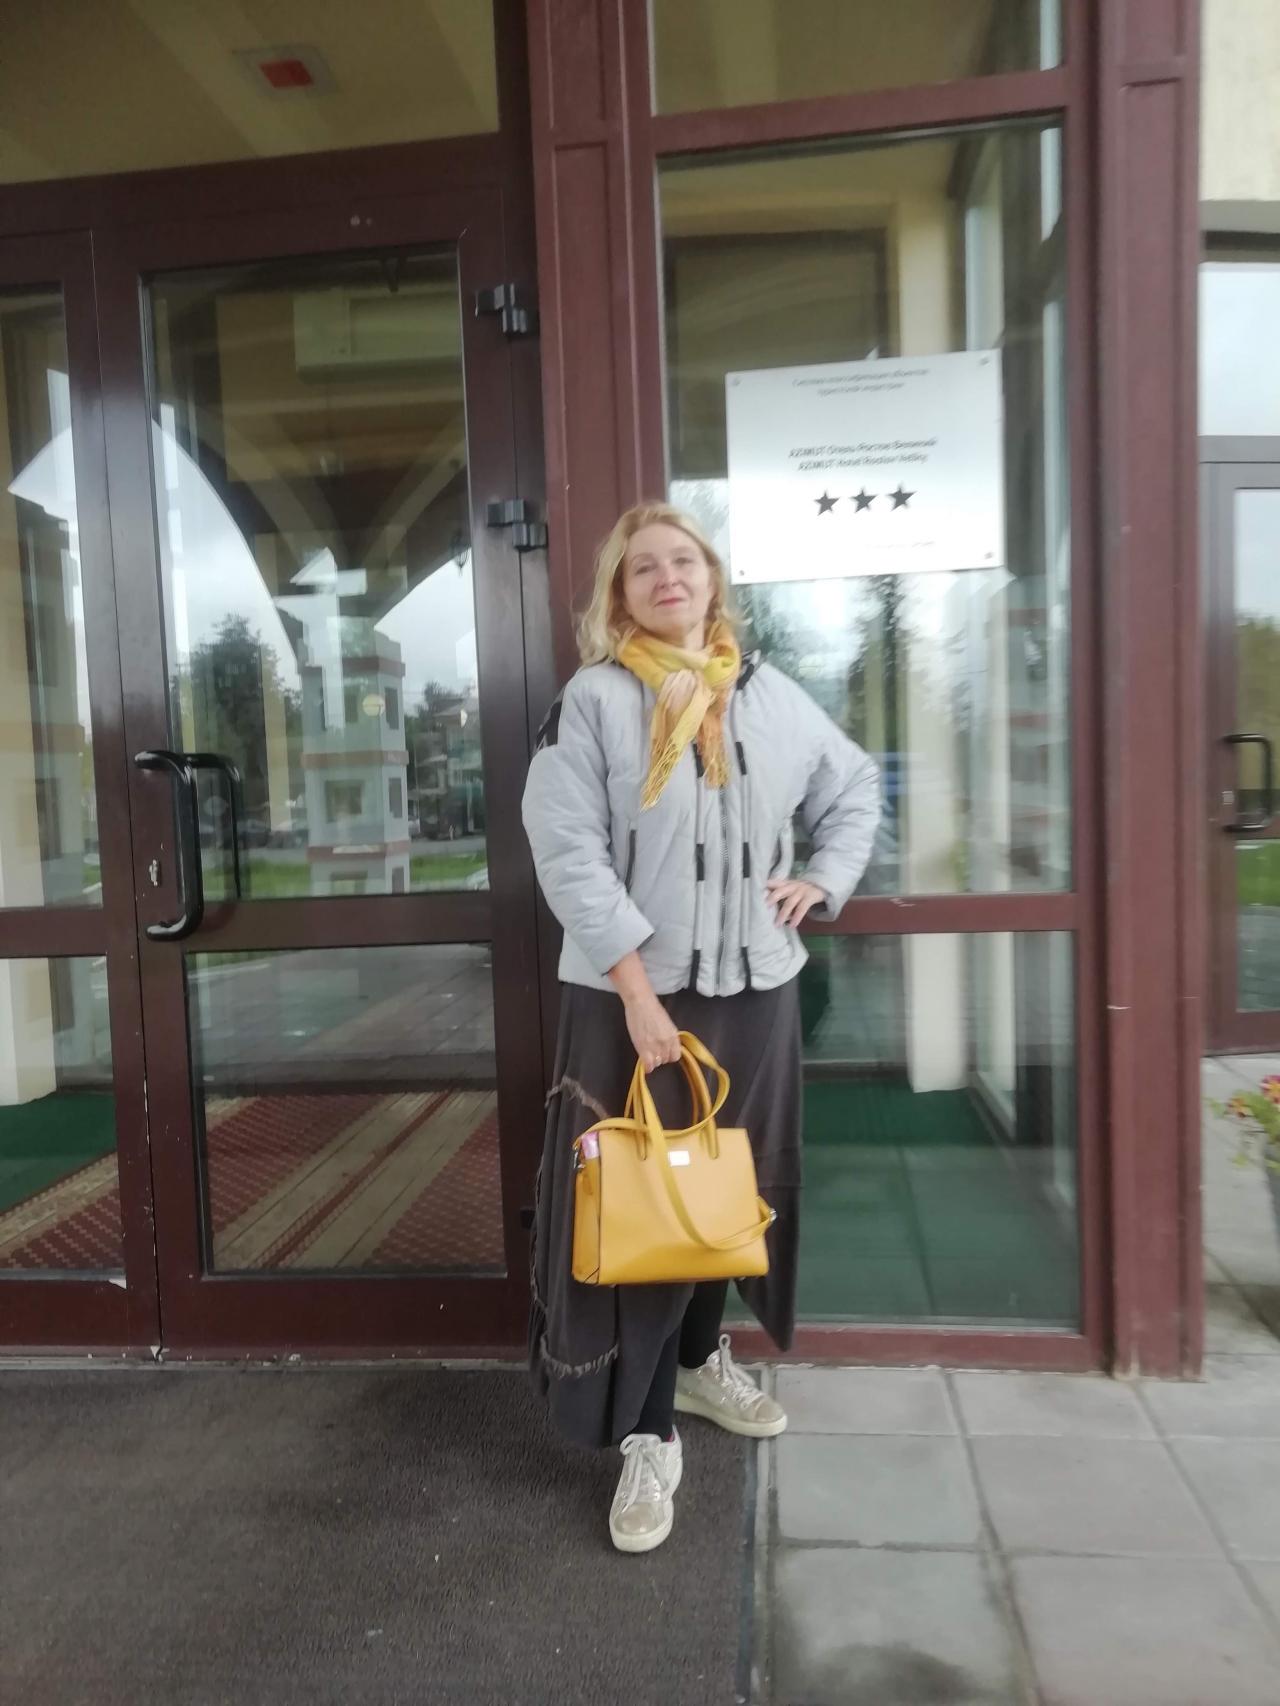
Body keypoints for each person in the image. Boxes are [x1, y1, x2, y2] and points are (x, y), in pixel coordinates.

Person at [522, 501, 880, 1553]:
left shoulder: (768, 696)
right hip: (632, 997)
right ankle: (648, 1433)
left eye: (683, 560)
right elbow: (568, 851)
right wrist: (637, 992)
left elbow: (853, 786)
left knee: (728, 1191)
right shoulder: (593, 701)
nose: (667, 577)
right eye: (643, 568)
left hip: (755, 989)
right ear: (619, 595)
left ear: (712, 579)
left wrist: (821, 878)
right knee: (645, 1207)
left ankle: (693, 1360)